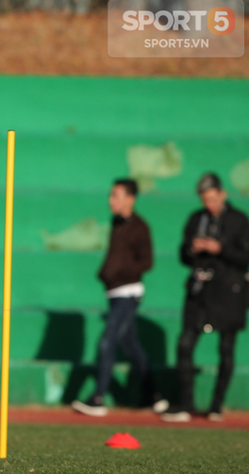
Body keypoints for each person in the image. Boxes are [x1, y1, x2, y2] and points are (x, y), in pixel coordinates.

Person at [72, 179, 167, 417]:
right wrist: (105, 273)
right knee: (132, 347)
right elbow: (114, 256)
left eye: (116, 195)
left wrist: (119, 272)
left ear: (130, 199)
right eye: (110, 195)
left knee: (107, 342)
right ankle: (154, 396)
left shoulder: (140, 227)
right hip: (113, 293)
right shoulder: (116, 222)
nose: (110, 200)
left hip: (129, 293)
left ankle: (98, 398)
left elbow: (147, 262)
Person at [162, 173, 249, 423]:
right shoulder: (196, 219)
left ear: (222, 194)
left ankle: (216, 406)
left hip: (229, 292)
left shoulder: (239, 220)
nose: (209, 204)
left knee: (226, 348)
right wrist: (192, 248)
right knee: (185, 343)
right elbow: (183, 254)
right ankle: (187, 405)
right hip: (200, 290)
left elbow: (246, 258)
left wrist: (220, 249)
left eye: (212, 198)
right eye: (204, 200)